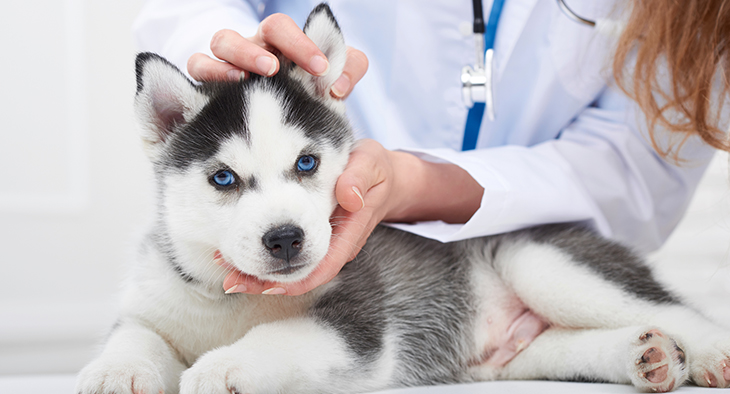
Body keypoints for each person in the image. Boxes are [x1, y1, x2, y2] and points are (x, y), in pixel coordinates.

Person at [133, 0, 730, 296]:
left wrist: (419, 185)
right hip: (315, 289)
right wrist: (215, 50)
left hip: (535, 275)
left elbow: (637, 167)